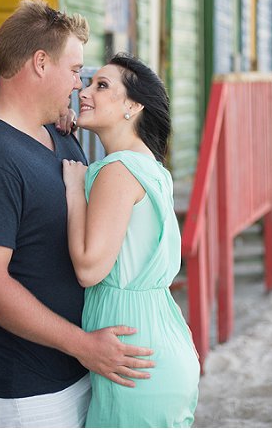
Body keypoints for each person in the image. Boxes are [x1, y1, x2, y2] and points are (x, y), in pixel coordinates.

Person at [0, 0, 155, 428]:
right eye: (76, 71)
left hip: (79, 371)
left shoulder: (60, 138)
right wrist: (83, 344)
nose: (79, 86)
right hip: (24, 394)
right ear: (41, 63)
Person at [62, 53, 201, 427]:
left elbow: (90, 268)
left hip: (134, 358)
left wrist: (74, 191)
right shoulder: (151, 167)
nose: (84, 93)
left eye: (101, 86)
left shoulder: (117, 169)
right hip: (158, 342)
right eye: (88, 83)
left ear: (133, 105)